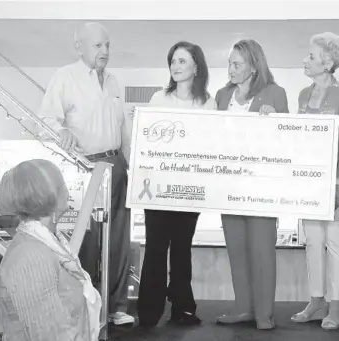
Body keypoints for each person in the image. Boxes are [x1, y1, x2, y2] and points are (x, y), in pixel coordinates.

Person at [38, 22, 134, 325]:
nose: (105, 51)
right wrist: (61, 130)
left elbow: (123, 130)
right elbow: (46, 120)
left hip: (116, 164)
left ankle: (116, 307)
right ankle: (88, 308)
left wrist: (133, 165)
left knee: (119, 239)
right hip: (86, 166)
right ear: (79, 47)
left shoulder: (114, 81)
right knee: (88, 243)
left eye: (107, 45)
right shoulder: (65, 76)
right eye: (97, 46)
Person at [137, 41, 217, 328]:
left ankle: (183, 307)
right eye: (173, 61)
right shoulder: (159, 98)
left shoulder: (208, 103)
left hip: (190, 188)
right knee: (156, 247)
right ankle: (148, 311)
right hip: (158, 188)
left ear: (197, 66)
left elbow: (211, 145)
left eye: (182, 61)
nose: (176, 66)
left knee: (182, 248)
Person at [214, 39, 288, 330]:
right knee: (236, 248)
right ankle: (243, 307)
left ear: (254, 66)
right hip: (229, 185)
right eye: (230, 63)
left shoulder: (275, 93)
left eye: (237, 64)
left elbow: (286, 140)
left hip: (261, 187)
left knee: (262, 250)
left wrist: (275, 121)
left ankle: (264, 313)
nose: (230, 68)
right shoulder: (222, 96)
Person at [291, 32, 339, 330]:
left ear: (328, 62)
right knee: (312, 242)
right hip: (309, 182)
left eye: (312, 56)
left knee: (335, 244)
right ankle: (316, 300)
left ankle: (336, 306)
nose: (306, 60)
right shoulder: (304, 95)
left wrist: (336, 181)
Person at [0, 159, 101, 341]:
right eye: (61, 183)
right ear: (46, 193)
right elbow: (49, 335)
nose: (67, 188)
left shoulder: (49, 242)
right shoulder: (31, 255)